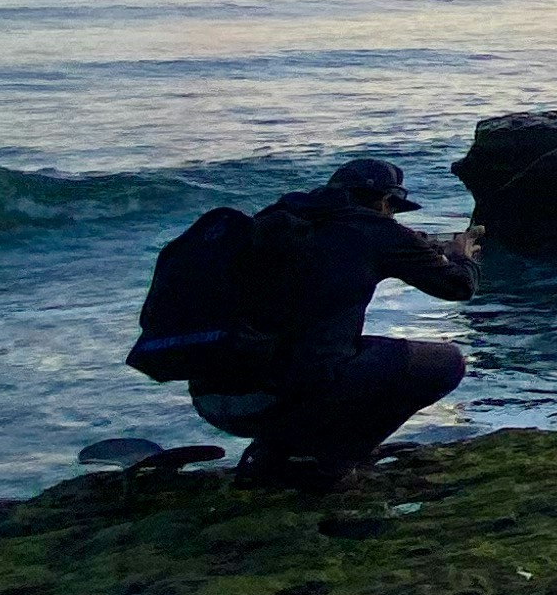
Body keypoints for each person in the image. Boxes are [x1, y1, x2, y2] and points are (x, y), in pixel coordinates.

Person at [195, 158, 481, 491]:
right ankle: (328, 464)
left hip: (213, 401)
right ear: (384, 201)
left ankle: (274, 454)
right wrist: (462, 255)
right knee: (445, 363)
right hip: (284, 400)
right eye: (393, 210)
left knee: (310, 353)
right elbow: (458, 286)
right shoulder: (374, 229)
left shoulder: (271, 222)